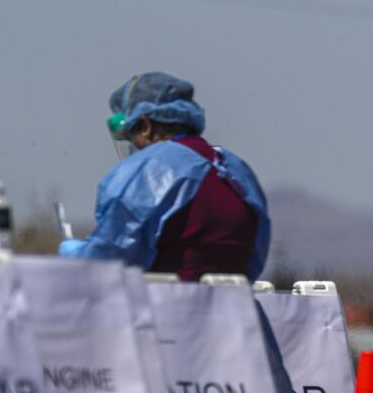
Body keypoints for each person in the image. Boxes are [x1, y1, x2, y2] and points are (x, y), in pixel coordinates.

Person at [59, 71, 270, 282]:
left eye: (131, 136)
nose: (133, 147)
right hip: (236, 310)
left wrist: (77, 254)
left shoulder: (149, 169)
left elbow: (106, 262)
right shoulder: (237, 170)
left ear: (145, 126)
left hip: (168, 309)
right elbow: (255, 258)